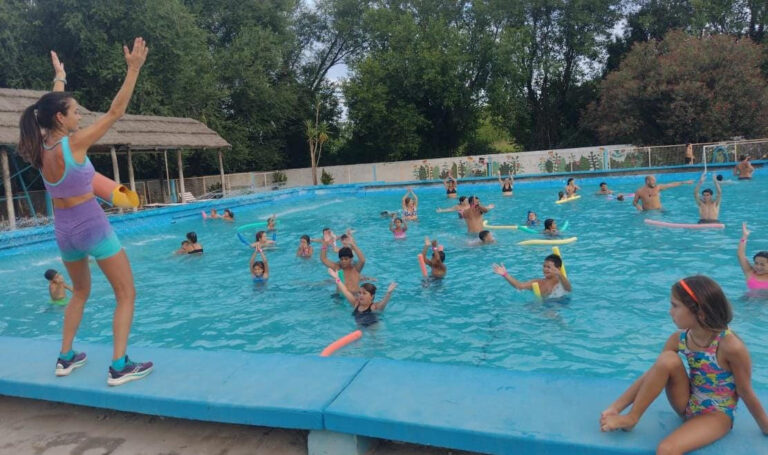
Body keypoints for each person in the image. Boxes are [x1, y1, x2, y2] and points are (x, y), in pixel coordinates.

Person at [17, 41, 152, 385]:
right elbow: (115, 112)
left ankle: (65, 357)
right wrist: (133, 68)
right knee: (126, 293)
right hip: (92, 225)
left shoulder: (42, 142)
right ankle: (119, 365)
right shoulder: (72, 143)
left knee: (79, 292)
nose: (80, 116)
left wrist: (59, 78)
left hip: (64, 232)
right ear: (61, 118)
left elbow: (48, 108)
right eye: (75, 112)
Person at [599, 276, 768, 453]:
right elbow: (653, 374)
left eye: (675, 306)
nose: (670, 312)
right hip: (686, 403)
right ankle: (632, 418)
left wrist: (765, 426)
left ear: (700, 312)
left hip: (716, 414)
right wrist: (615, 407)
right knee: (667, 359)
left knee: (666, 449)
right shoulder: (679, 338)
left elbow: (745, 391)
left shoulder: (731, 346)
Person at [327, 268, 397, 327]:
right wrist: (337, 278)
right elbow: (345, 291)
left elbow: (383, 303)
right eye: (359, 293)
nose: (361, 295)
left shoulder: (374, 307)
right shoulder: (356, 303)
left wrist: (389, 293)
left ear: (371, 297)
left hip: (372, 328)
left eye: (364, 293)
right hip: (359, 328)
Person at [492, 254, 571, 300]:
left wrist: (560, 275)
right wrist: (505, 274)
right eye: (544, 266)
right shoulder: (538, 282)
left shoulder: (561, 281)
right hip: (544, 306)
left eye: (548, 267)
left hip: (562, 304)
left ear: (558, 269)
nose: (545, 269)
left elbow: (568, 289)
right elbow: (519, 286)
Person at [738, 223, 768, 291]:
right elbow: (740, 255)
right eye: (756, 263)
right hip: (748, 300)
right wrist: (744, 237)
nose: (758, 267)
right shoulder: (750, 272)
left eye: (762, 264)